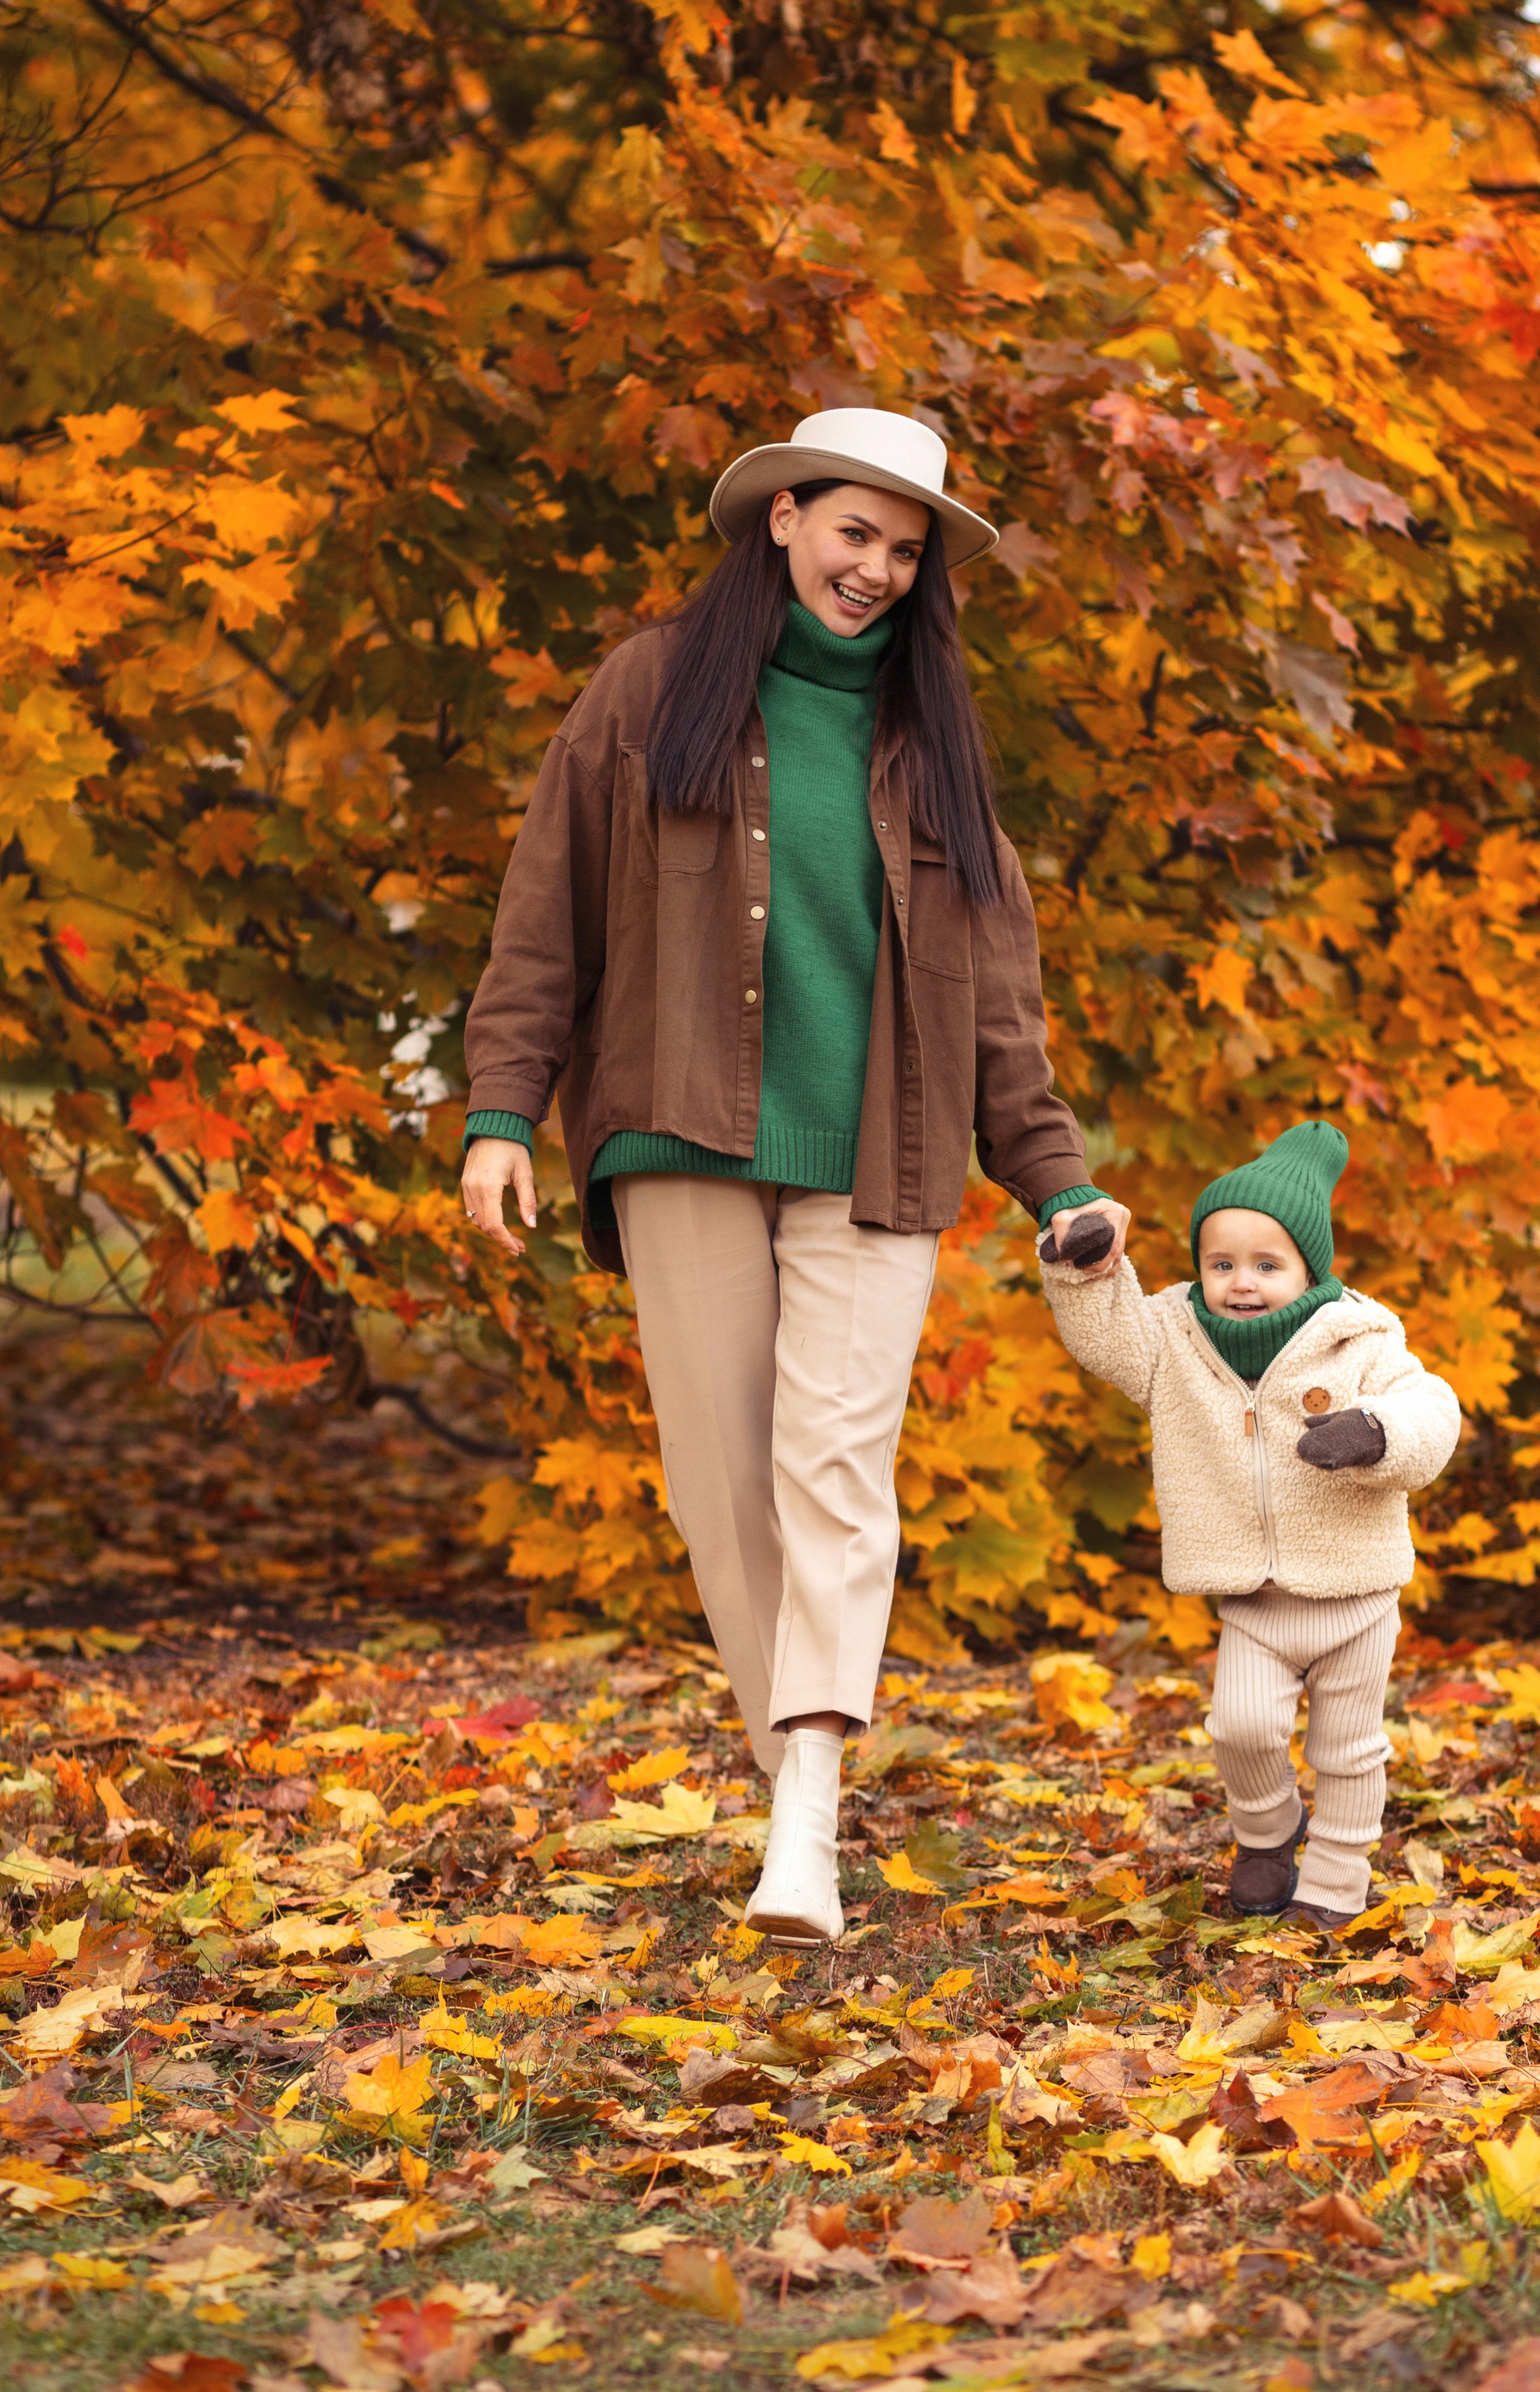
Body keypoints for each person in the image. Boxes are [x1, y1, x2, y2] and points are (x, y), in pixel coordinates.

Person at [458, 405, 1128, 1945]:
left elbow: (996, 997)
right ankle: (796, 1778)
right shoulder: (647, 692)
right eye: (853, 533)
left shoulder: (930, 736)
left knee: (837, 1472)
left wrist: (1053, 1179)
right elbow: (542, 912)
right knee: (720, 1486)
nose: (876, 569)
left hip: (878, 1155)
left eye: (904, 551)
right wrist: (502, 1108)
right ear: (781, 521)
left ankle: (803, 1823)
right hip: (681, 1129)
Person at [1038, 1121, 1459, 1929]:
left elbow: (1432, 1411)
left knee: (1346, 1747)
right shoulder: (1174, 1340)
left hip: (1356, 1593)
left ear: (1308, 1269)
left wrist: (1374, 1431)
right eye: (1221, 1262)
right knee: (1238, 1726)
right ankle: (1266, 1833)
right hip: (1253, 1599)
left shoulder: (1358, 1339)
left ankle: (1336, 1879)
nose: (1241, 1282)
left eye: (1267, 1265)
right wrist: (1086, 1268)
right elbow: (1104, 1336)